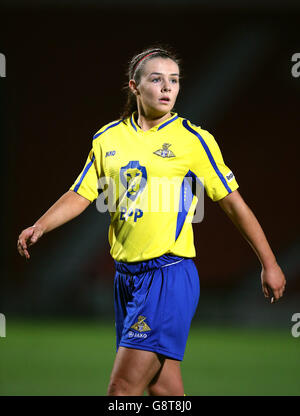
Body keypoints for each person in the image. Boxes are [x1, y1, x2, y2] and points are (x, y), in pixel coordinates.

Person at [17, 46, 286, 396]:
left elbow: (234, 204)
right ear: (134, 86)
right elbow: (80, 194)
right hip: (126, 280)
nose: (166, 88)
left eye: (173, 80)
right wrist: (41, 225)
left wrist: (270, 262)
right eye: (156, 79)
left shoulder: (194, 140)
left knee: (121, 391)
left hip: (168, 276)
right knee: (164, 390)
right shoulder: (107, 138)